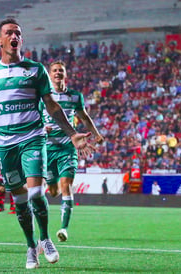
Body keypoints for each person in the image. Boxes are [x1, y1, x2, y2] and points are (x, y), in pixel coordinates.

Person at [0, 19, 95, 269]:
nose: (14, 35)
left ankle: (45, 238)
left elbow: (52, 105)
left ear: (20, 40)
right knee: (20, 201)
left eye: (18, 32)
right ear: (0, 41)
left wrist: (71, 133)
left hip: (33, 139)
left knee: (37, 193)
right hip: (6, 145)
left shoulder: (36, 70)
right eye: (9, 32)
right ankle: (30, 247)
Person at [43, 60, 104, 242]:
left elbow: (83, 116)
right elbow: (35, 117)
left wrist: (96, 134)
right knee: (53, 191)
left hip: (68, 148)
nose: (57, 73)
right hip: (47, 149)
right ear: (49, 74)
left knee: (66, 186)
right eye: (54, 70)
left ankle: (63, 228)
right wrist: (41, 127)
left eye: (61, 70)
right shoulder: (43, 96)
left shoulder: (75, 96)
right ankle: (59, 193)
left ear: (65, 74)